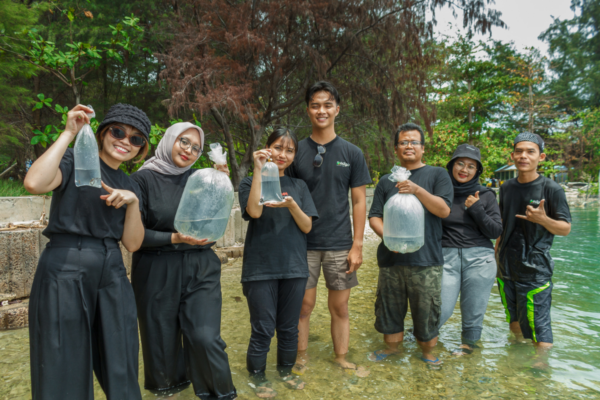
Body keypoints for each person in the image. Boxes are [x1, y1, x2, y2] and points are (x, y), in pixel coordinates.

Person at [24, 103, 150, 400]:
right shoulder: (75, 160)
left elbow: (132, 244)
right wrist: (69, 133)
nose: (125, 141)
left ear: (142, 149)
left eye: (135, 139)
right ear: (103, 132)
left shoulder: (131, 184)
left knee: (122, 357)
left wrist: (133, 202)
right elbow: (34, 183)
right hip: (66, 262)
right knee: (62, 359)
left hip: (113, 269)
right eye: (118, 132)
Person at [130, 122, 237, 400]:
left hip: (200, 266)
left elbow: (213, 227)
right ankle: (169, 392)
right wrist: (174, 239)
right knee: (160, 345)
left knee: (205, 337)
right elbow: (133, 236)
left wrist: (220, 189)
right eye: (184, 142)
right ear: (168, 140)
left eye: (196, 147)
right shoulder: (142, 180)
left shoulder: (201, 179)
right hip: (155, 268)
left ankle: (221, 395)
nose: (189, 150)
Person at [286, 81, 372, 373]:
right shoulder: (295, 152)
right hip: (303, 243)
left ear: (337, 109)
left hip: (339, 243)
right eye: (314, 105)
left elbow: (359, 201)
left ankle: (340, 357)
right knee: (303, 306)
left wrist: (357, 245)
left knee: (340, 307)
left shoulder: (352, 153)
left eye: (327, 105)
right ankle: (300, 358)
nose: (321, 110)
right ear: (307, 110)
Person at [239, 128, 318, 398]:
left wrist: (292, 206)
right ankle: (258, 379)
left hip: (294, 268)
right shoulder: (250, 182)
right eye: (277, 147)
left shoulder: (299, 187)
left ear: (295, 155)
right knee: (262, 328)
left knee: (288, 328)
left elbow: (307, 227)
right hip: (259, 269)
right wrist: (259, 169)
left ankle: (285, 373)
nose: (282, 154)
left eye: (289, 150)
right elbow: (255, 211)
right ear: (267, 148)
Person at [368, 123, 453, 369]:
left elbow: (443, 210)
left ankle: (427, 353)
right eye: (403, 142)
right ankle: (391, 349)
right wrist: (389, 239)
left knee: (426, 311)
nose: (409, 146)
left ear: (423, 148)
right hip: (390, 260)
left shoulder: (438, 175)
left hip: (426, 261)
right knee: (388, 308)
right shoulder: (386, 181)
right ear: (396, 149)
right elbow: (375, 217)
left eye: (414, 142)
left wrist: (416, 190)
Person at [496, 132, 571, 365]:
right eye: (519, 151)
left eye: (530, 151)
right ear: (512, 156)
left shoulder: (551, 189)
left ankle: (539, 371)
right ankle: (516, 358)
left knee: (539, 325)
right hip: (507, 265)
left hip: (536, 269)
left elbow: (565, 228)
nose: (523, 156)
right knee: (515, 319)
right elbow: (502, 224)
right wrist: (495, 256)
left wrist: (543, 220)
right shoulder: (506, 187)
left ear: (541, 156)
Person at [438, 144, 502, 356]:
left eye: (471, 166)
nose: (464, 169)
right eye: (460, 164)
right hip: (446, 257)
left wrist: (476, 208)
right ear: (451, 166)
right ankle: (424, 339)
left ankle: (469, 349)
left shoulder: (485, 195)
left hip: (480, 259)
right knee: (441, 310)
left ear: (477, 171)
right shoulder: (441, 193)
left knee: (473, 313)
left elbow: (495, 231)